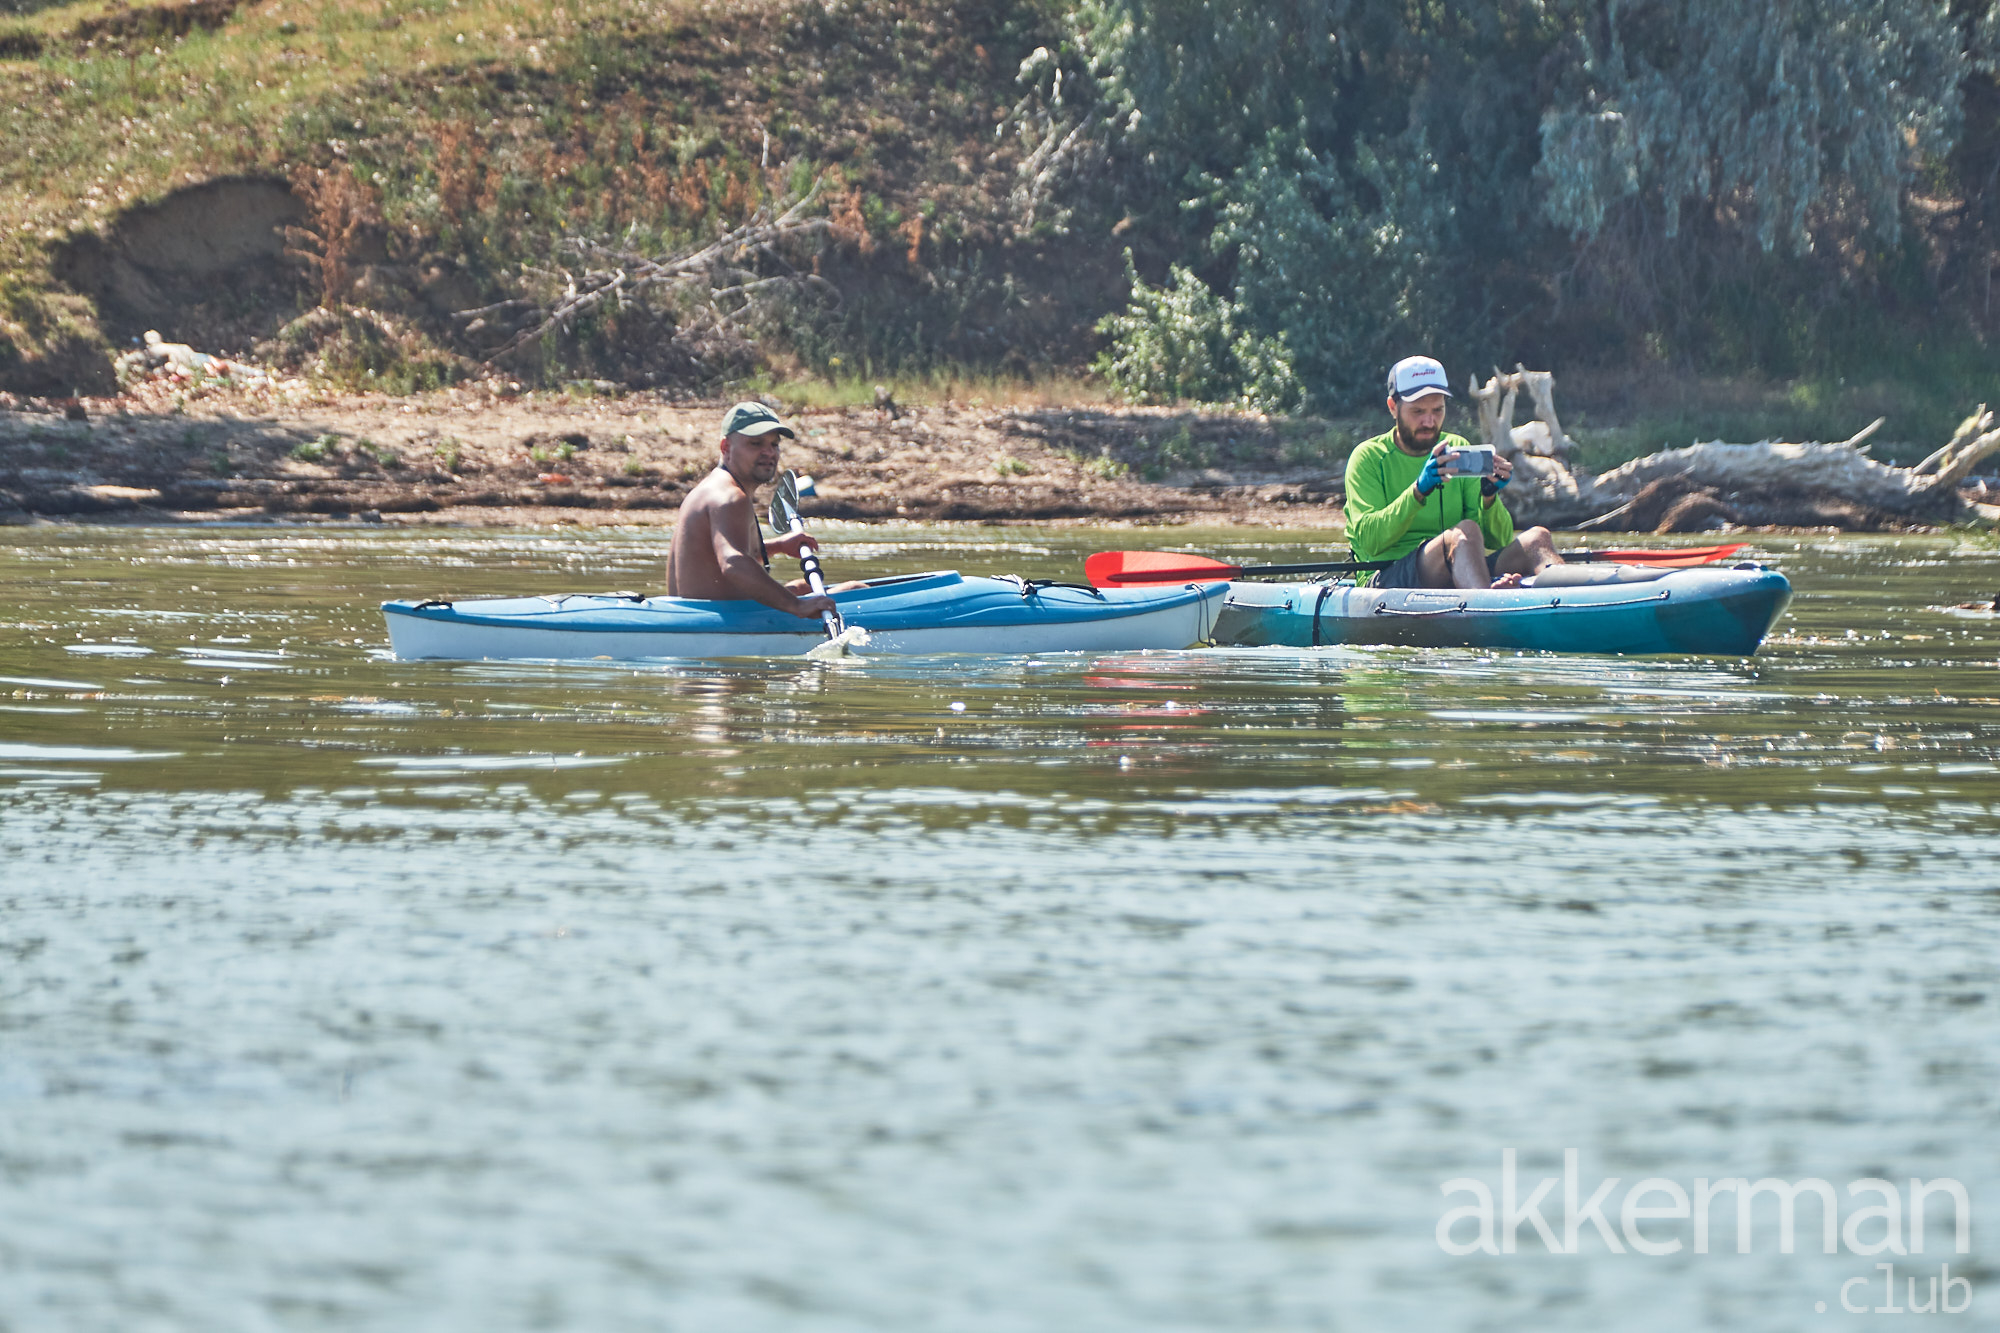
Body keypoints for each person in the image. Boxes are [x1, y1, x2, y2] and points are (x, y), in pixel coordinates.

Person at [1343, 356, 1564, 590]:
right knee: (1463, 531)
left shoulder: (1457, 447)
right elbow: (1370, 541)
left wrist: (1488, 500)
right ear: (1392, 408)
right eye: (1418, 411)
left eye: (1437, 410)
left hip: (1457, 566)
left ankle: (1575, 603)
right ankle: (1487, 608)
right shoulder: (1367, 458)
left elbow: (1497, 540)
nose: (1429, 421)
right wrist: (1418, 491)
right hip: (1386, 577)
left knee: (1537, 539)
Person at [666, 401, 848, 616]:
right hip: (721, 620)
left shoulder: (708, 489)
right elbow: (733, 562)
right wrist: (796, 607)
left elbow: (718, 554)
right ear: (726, 448)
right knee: (854, 590)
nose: (768, 452)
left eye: (774, 444)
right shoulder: (731, 497)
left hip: (696, 610)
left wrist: (778, 546)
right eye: (756, 443)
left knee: (804, 587)